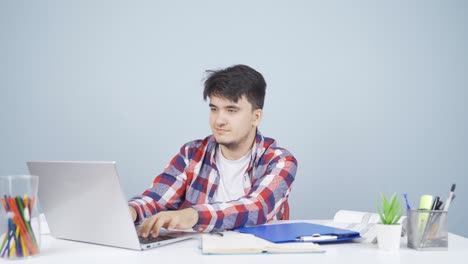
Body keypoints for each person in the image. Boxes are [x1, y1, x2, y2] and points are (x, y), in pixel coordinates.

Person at [128, 64, 297, 238]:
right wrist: (130, 212)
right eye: (214, 109)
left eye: (231, 110)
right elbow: (156, 199)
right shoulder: (191, 154)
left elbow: (258, 208)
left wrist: (192, 215)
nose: (219, 121)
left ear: (256, 117)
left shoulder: (280, 161)